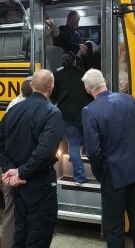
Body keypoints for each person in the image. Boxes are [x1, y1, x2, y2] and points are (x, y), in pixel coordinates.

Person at [81, 69, 135, 248]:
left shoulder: (90, 111)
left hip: (113, 176)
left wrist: (101, 173)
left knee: (114, 226)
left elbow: (93, 151)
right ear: (104, 80)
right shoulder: (129, 99)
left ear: (88, 90)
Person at [0, 69, 63, 248]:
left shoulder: (13, 109)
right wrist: (21, 172)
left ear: (32, 86)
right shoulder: (52, 113)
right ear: (51, 89)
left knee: (21, 230)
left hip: (18, 186)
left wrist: (11, 169)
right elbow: (45, 151)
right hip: (39, 183)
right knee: (39, 233)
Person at [0, 78, 32, 248]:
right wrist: (17, 171)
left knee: (13, 209)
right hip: (15, 166)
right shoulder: (30, 109)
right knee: (16, 211)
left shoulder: (14, 104)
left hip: (5, 164)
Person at [50, 52, 93, 185]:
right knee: (89, 142)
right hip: (83, 114)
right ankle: (97, 172)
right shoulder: (83, 75)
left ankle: (79, 178)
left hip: (66, 115)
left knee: (73, 146)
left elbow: (54, 95)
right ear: (75, 61)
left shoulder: (57, 76)